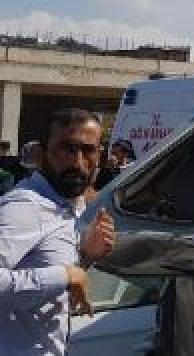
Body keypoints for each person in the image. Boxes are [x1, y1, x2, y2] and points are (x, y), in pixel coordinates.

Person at [0, 108, 116, 354]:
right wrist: (65, 275)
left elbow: (48, 266)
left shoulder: (71, 204)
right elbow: (64, 276)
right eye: (66, 148)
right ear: (42, 154)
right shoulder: (24, 206)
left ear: (100, 155)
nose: (77, 162)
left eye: (87, 150)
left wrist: (85, 257)